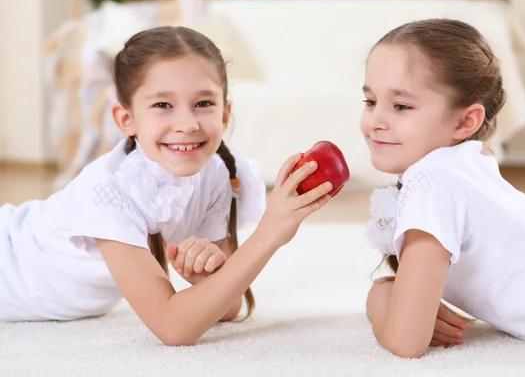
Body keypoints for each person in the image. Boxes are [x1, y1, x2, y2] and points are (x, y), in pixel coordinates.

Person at [0, 26, 333, 346]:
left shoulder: (216, 173)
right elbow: (173, 328)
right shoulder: (107, 192)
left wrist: (207, 277)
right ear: (126, 119)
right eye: (162, 105)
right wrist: (268, 234)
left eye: (203, 103)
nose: (187, 124)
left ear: (225, 113)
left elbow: (227, 307)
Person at [361, 19, 525, 358]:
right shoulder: (459, 165)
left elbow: (405, 340)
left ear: (464, 122)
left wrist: (380, 299)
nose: (376, 121)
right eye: (370, 101)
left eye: (401, 106)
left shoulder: (433, 180)